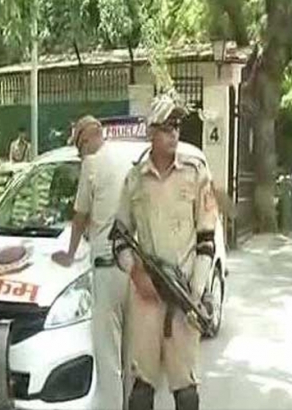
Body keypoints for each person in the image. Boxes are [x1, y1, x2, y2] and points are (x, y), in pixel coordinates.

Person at [115, 94, 218, 410]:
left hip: (183, 295)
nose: (174, 133)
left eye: (177, 127)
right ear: (151, 132)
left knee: (185, 388)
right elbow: (119, 237)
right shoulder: (135, 179)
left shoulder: (195, 173)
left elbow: (207, 238)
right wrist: (136, 273)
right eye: (166, 128)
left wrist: (195, 293)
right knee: (142, 386)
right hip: (146, 296)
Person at [51, 115, 131, 410]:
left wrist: (69, 254)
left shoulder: (92, 164)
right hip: (132, 267)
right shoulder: (125, 159)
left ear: (86, 140)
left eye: (78, 147)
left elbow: (80, 215)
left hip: (107, 268)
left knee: (108, 353)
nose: (80, 153)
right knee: (130, 353)